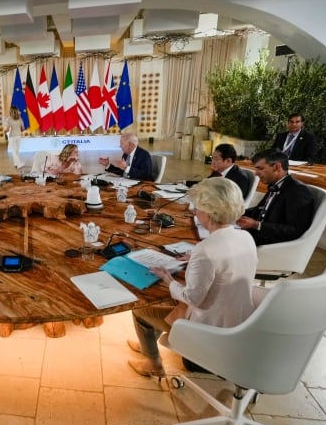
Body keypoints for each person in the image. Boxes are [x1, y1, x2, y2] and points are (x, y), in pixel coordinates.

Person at [127, 177, 258, 378]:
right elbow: (224, 264)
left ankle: (152, 363)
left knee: (140, 311)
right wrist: (195, 260)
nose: (194, 211)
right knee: (165, 307)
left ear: (209, 211)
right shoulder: (245, 237)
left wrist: (168, 279)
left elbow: (191, 298)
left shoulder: (205, 250)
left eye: (197, 207)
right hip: (238, 321)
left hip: (208, 330)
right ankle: (149, 341)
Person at [236, 150, 314, 246]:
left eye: (260, 168)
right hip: (258, 235)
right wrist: (236, 213)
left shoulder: (297, 191)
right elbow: (261, 209)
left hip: (272, 243)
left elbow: (295, 230)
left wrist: (256, 225)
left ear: (277, 167)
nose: (256, 173)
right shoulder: (276, 184)